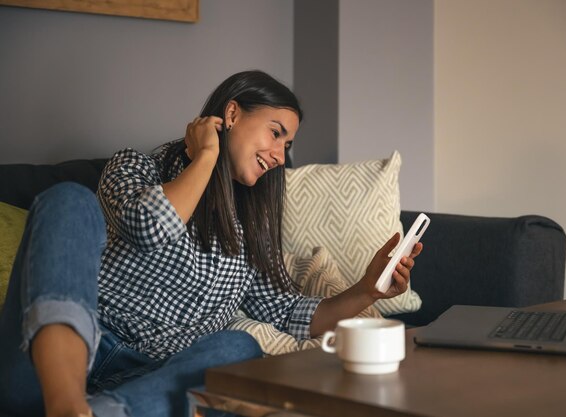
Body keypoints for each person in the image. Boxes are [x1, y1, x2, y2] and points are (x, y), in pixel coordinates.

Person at [0, 70, 423, 417]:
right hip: (48, 360)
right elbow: (150, 226)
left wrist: (369, 287)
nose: (279, 155)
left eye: (287, 145)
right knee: (68, 200)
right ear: (232, 114)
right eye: (275, 133)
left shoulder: (245, 232)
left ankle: (105, 411)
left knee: (240, 348)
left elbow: (289, 312)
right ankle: (66, 404)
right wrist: (205, 156)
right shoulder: (133, 168)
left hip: (146, 377)